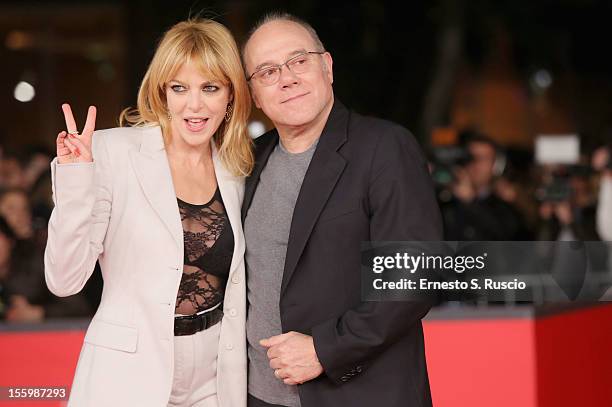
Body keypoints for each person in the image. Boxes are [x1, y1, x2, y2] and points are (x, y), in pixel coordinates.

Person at [44, 19, 253, 407]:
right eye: (179, 87)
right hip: (128, 371)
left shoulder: (237, 167)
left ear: (230, 96)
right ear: (162, 92)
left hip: (215, 373)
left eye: (209, 87)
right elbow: (64, 280)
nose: (194, 104)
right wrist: (76, 179)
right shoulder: (110, 152)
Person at [241, 13, 442, 407]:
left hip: (359, 394)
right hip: (258, 397)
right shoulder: (248, 161)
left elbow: (414, 277)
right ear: (254, 94)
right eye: (267, 71)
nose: (287, 78)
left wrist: (324, 349)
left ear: (327, 66)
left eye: (299, 61)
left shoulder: (383, 147)